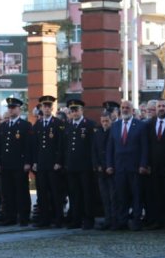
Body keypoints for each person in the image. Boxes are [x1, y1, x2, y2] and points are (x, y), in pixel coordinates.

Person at [107, 99, 148, 230]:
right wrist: (109, 165)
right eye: (123, 108)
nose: (125, 110)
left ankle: (136, 221)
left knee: (136, 195)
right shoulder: (115, 125)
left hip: (135, 167)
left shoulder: (141, 125)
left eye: (127, 108)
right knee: (121, 196)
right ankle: (122, 221)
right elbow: (110, 147)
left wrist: (143, 164)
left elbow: (145, 147)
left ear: (132, 110)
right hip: (119, 168)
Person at [0, 97, 33, 226]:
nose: (11, 110)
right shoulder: (4, 126)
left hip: (19, 164)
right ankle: (9, 217)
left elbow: (28, 146)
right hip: (6, 164)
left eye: (13, 108)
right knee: (7, 193)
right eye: (9, 108)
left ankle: (24, 217)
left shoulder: (25, 125)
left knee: (21, 192)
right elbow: (0, 146)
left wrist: (28, 162)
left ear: (19, 109)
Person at [31, 96, 66, 228]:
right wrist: (34, 161)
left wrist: (58, 161)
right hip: (41, 164)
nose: (46, 108)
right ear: (41, 108)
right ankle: (44, 219)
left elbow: (61, 145)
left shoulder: (58, 123)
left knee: (56, 193)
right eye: (44, 106)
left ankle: (58, 218)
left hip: (53, 164)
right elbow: (34, 145)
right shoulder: (38, 125)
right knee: (42, 193)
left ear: (52, 108)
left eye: (48, 106)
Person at [62, 99, 95, 230]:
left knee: (87, 194)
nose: (74, 112)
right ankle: (76, 219)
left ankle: (88, 220)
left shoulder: (89, 125)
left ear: (82, 110)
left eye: (77, 110)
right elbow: (65, 147)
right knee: (74, 194)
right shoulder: (68, 126)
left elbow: (92, 146)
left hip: (85, 166)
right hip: (71, 166)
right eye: (72, 110)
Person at [144, 100, 165, 230]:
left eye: (163, 106)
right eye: (159, 106)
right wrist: (146, 163)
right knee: (155, 194)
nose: (161, 108)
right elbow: (147, 145)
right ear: (155, 109)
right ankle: (157, 220)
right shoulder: (149, 124)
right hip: (154, 166)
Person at [93, 104, 118, 230]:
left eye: (107, 121)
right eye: (103, 121)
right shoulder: (97, 133)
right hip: (101, 170)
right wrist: (97, 165)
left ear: (111, 120)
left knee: (114, 197)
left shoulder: (114, 132)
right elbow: (94, 151)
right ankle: (108, 219)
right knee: (105, 197)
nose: (104, 123)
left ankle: (114, 220)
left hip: (112, 169)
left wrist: (110, 166)